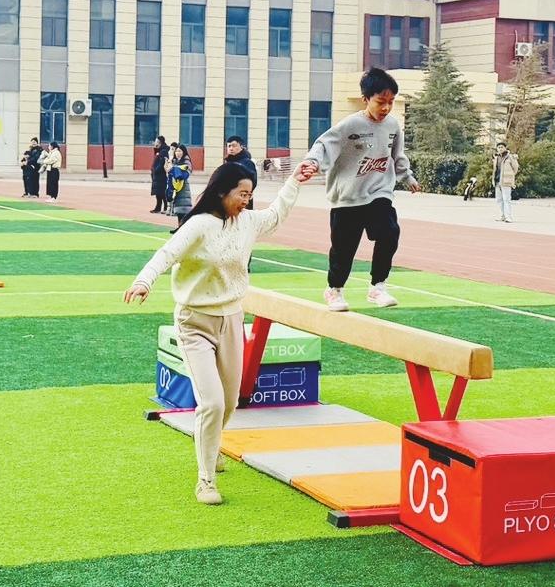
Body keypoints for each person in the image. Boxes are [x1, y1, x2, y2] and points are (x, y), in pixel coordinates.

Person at [123, 161, 313, 504]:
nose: (246, 200)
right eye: (242, 194)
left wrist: (295, 182)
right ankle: (205, 480)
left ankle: (211, 446)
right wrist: (143, 281)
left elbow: (275, 215)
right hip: (194, 322)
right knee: (211, 403)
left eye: (250, 195)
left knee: (229, 402)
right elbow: (166, 254)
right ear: (222, 191)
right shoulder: (199, 225)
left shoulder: (248, 222)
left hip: (232, 320)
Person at [303, 67, 421, 312]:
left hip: (379, 191)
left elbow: (397, 154)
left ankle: (378, 285)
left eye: (391, 102)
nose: (386, 108)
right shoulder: (351, 124)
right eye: (381, 102)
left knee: (389, 232)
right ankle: (334, 289)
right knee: (344, 250)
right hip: (347, 196)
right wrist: (313, 163)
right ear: (366, 99)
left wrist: (406, 176)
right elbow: (324, 144)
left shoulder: (392, 125)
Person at [166, 144, 193, 225]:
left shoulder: (186, 162)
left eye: (180, 151)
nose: (178, 153)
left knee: (183, 212)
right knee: (179, 213)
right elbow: (168, 172)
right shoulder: (175, 162)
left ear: (184, 152)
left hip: (183, 190)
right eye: (176, 151)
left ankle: (182, 228)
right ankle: (179, 227)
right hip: (176, 189)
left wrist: (173, 169)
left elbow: (185, 175)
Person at [150, 135, 170, 213]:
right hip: (157, 175)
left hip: (161, 175)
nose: (155, 143)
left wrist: (156, 170)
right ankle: (158, 208)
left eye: (156, 142)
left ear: (160, 142)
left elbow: (162, 163)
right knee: (158, 192)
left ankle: (165, 207)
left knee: (161, 192)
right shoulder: (160, 150)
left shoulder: (163, 151)